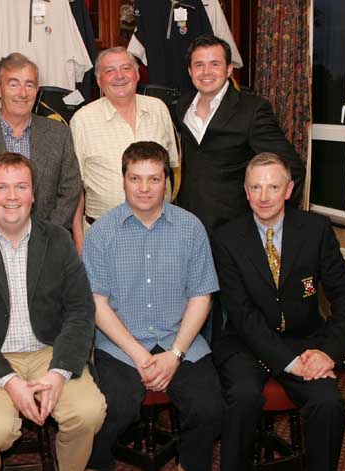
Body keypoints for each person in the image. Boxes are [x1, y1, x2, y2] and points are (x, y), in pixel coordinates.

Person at [0, 153, 106, 470]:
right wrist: (9, 381)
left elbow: (80, 311)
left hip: (50, 351)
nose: (12, 197)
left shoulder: (59, 240)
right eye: (2, 187)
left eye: (21, 187)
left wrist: (59, 373)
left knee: (88, 413)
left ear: (33, 195)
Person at [211, 152, 345, 471]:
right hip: (245, 344)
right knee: (243, 398)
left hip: (305, 340)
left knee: (329, 403)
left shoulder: (316, 229)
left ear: (289, 190)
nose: (264, 197)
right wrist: (291, 365)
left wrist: (328, 354)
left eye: (273, 187)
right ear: (246, 191)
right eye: (256, 187)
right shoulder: (225, 238)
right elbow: (242, 313)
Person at [83, 141, 222, 471]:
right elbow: (97, 303)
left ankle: (190, 464)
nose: (144, 188)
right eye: (135, 178)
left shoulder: (191, 228)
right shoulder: (101, 233)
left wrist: (175, 354)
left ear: (167, 181)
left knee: (209, 407)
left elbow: (202, 296)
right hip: (120, 343)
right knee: (111, 408)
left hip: (180, 339)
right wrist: (140, 355)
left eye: (154, 179)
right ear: (123, 180)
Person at [176, 34, 305, 235]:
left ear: (229, 69)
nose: (206, 72)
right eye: (199, 65)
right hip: (187, 224)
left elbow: (292, 167)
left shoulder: (252, 110)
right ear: (190, 71)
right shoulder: (182, 106)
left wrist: (273, 218)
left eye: (215, 64)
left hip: (234, 229)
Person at [0, 53, 81, 230]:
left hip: (48, 245)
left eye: (29, 85)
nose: (22, 93)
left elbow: (70, 190)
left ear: (37, 89)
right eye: (13, 84)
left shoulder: (59, 134)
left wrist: (44, 237)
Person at [70, 46, 179, 253]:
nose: (119, 76)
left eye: (126, 68)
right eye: (109, 71)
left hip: (160, 234)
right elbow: (75, 188)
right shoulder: (83, 120)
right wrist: (79, 240)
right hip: (104, 237)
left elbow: (171, 172)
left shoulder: (159, 109)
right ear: (99, 80)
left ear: (137, 74)